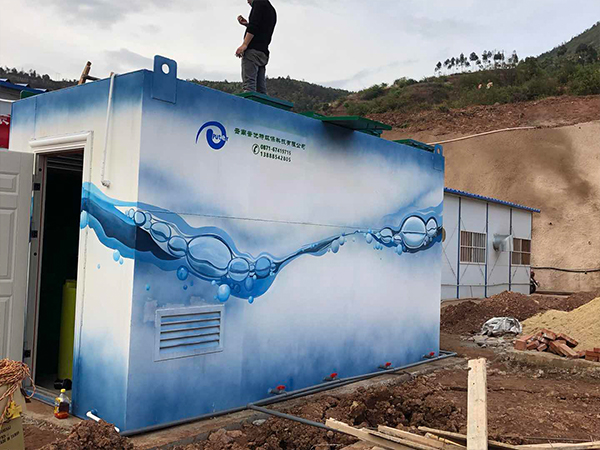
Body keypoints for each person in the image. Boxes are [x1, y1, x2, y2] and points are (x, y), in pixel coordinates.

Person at [235, 0, 277, 94]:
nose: (247, 1)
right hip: (263, 53)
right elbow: (261, 28)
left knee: (249, 86)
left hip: (252, 52)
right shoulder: (271, 9)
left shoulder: (258, 3)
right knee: (260, 90)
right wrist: (247, 25)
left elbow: (254, 26)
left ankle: (249, 103)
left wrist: (244, 44)